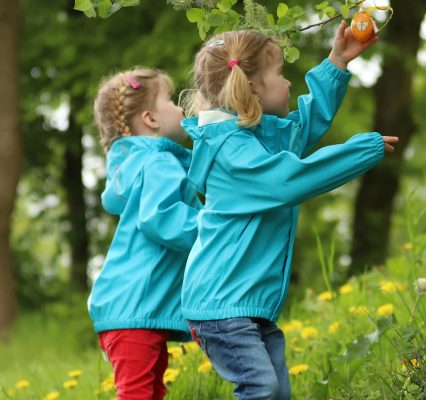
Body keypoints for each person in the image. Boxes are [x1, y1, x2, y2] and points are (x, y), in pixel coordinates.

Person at [180, 22, 397, 400]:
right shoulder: (232, 154)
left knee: (277, 393)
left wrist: (337, 63)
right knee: (261, 389)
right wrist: (362, 150)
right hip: (221, 306)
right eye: (279, 74)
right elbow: (290, 180)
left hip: (247, 304)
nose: (288, 84)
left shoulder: (256, 139)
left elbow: (302, 128)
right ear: (252, 89)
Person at [88, 67, 201, 400]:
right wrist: (212, 225)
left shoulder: (139, 165)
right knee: (138, 393)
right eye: (170, 99)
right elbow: (162, 218)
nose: (180, 107)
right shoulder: (157, 164)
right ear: (150, 118)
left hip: (130, 308)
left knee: (148, 391)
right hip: (134, 307)